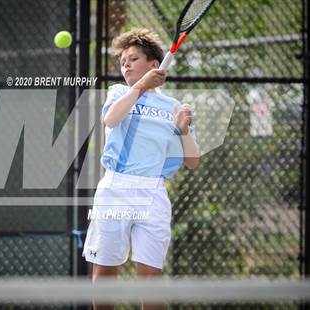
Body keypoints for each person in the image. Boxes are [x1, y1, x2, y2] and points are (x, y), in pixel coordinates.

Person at [82, 28, 200, 310]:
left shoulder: (173, 106)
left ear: (154, 65)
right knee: (105, 274)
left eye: (132, 59)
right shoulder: (120, 92)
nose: (125, 64)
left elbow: (192, 162)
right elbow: (111, 120)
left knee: (150, 280)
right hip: (115, 189)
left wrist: (183, 132)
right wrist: (139, 87)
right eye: (123, 61)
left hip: (153, 194)